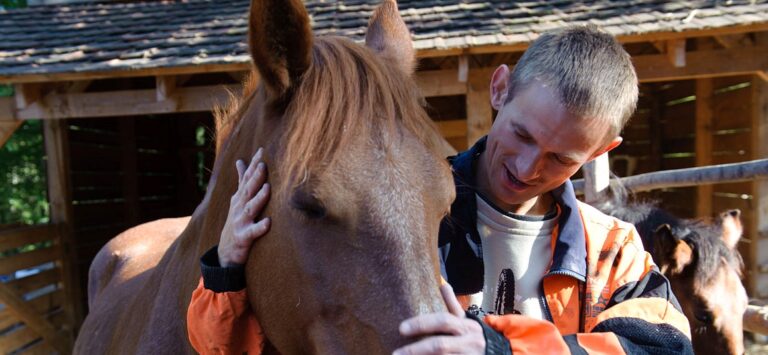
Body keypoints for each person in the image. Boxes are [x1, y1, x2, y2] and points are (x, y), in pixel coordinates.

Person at [187, 26, 694, 354]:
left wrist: (495, 349)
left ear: (603, 150)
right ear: (499, 89)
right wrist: (228, 270)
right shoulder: (397, 208)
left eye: (561, 159)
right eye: (520, 133)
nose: (525, 166)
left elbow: (666, 350)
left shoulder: (613, 251)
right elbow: (237, 345)